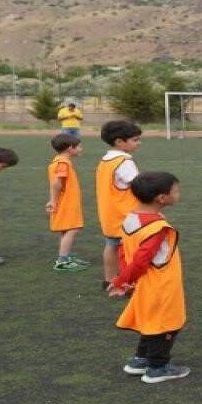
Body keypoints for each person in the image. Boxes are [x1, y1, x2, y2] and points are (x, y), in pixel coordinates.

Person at [108, 172, 190, 383]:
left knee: (151, 321)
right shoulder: (156, 229)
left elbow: (124, 253)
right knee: (167, 324)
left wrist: (126, 278)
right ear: (161, 198)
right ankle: (157, 367)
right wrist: (122, 281)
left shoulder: (131, 218)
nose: (178, 194)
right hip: (160, 285)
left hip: (146, 283)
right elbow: (141, 260)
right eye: (176, 191)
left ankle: (140, 360)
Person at [97, 120, 142, 288]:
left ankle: (109, 280)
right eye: (135, 140)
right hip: (126, 215)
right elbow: (138, 185)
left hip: (109, 213)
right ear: (119, 142)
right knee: (130, 249)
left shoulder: (106, 160)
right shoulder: (124, 161)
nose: (139, 143)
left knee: (111, 246)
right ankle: (128, 283)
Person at [46, 133, 88, 272]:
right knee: (73, 228)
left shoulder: (59, 161)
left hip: (65, 201)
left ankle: (65, 256)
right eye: (79, 146)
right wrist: (53, 200)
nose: (81, 149)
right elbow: (57, 183)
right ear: (70, 148)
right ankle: (62, 261)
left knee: (66, 229)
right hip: (66, 202)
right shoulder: (63, 163)